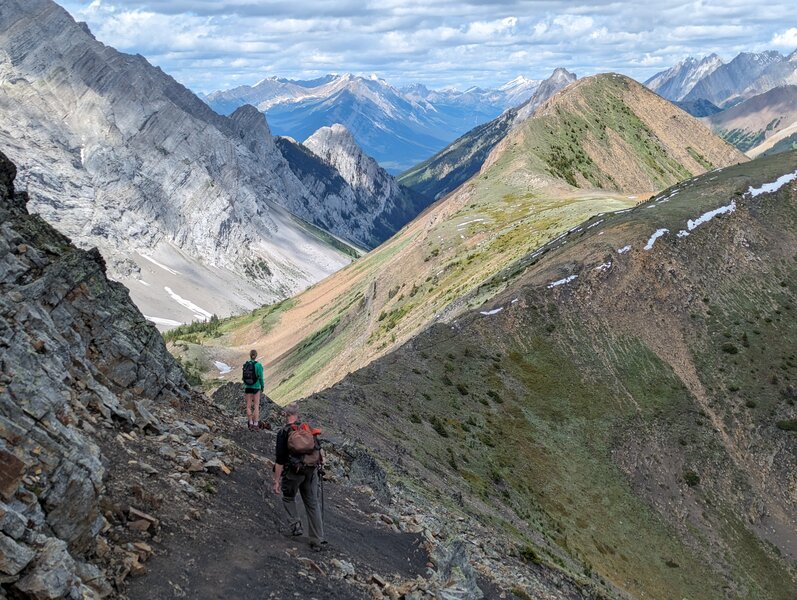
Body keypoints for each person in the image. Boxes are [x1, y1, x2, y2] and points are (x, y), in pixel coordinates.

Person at [273, 403, 326, 551]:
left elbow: (280, 460)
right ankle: (317, 540)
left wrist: (276, 481)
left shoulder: (284, 432)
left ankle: (296, 525)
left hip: (293, 472)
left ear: (285, 415)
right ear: (297, 414)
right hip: (310, 471)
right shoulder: (306, 428)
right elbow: (319, 450)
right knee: (312, 504)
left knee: (288, 497)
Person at [241, 349, 264, 430]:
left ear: (250, 355)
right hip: (256, 388)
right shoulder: (258, 365)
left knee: (248, 406)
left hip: (247, 387)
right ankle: (256, 423)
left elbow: (243, 377)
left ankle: (250, 422)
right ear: (256, 355)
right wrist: (262, 386)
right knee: (256, 405)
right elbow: (261, 377)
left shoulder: (245, 365)